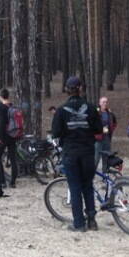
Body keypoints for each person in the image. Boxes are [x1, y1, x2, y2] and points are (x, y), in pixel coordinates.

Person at [51, 76, 101, 232]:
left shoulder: (61, 110)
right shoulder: (91, 108)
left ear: (67, 90)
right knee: (88, 186)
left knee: (75, 188)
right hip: (88, 152)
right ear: (81, 89)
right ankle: (92, 221)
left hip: (70, 153)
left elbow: (55, 132)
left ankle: (79, 224)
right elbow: (99, 129)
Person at [94, 97, 117, 172]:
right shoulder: (96, 113)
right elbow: (91, 124)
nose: (105, 103)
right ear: (100, 103)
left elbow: (114, 123)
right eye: (103, 102)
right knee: (96, 157)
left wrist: (111, 129)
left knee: (106, 156)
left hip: (107, 137)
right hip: (98, 138)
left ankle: (105, 173)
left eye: (106, 102)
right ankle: (92, 174)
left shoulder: (109, 113)